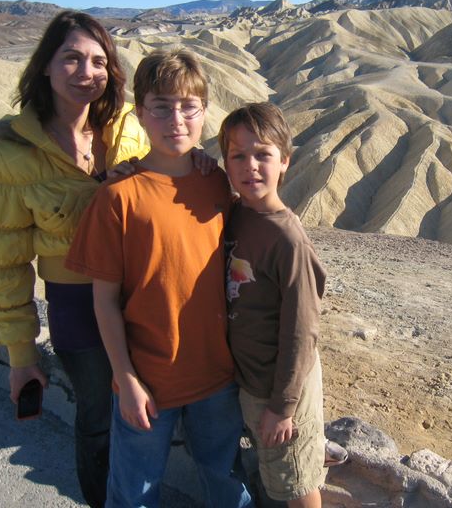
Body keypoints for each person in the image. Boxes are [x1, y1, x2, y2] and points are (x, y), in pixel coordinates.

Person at [65, 48, 253, 508]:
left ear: (205, 112)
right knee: (133, 493)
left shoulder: (216, 182)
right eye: (162, 107)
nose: (177, 120)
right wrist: (125, 379)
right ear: (141, 114)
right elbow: (104, 302)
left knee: (228, 486)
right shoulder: (118, 197)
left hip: (217, 377)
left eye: (189, 107)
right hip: (148, 383)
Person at [0, 10, 149, 507]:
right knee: (97, 414)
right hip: (76, 304)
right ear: (46, 66)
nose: (86, 72)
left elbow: (168, 179)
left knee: (148, 406)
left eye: (98, 61)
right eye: (71, 58)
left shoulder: (130, 127)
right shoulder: (15, 154)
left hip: (143, 296)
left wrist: (199, 161)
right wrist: (21, 357)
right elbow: (7, 263)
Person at [218, 102, 328, 507]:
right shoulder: (235, 213)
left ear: (285, 161)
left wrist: (283, 408)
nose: (250, 166)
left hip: (280, 388)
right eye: (238, 156)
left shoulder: (288, 241)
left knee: (296, 482)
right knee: (276, 469)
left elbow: (302, 331)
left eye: (262, 154)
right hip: (252, 379)